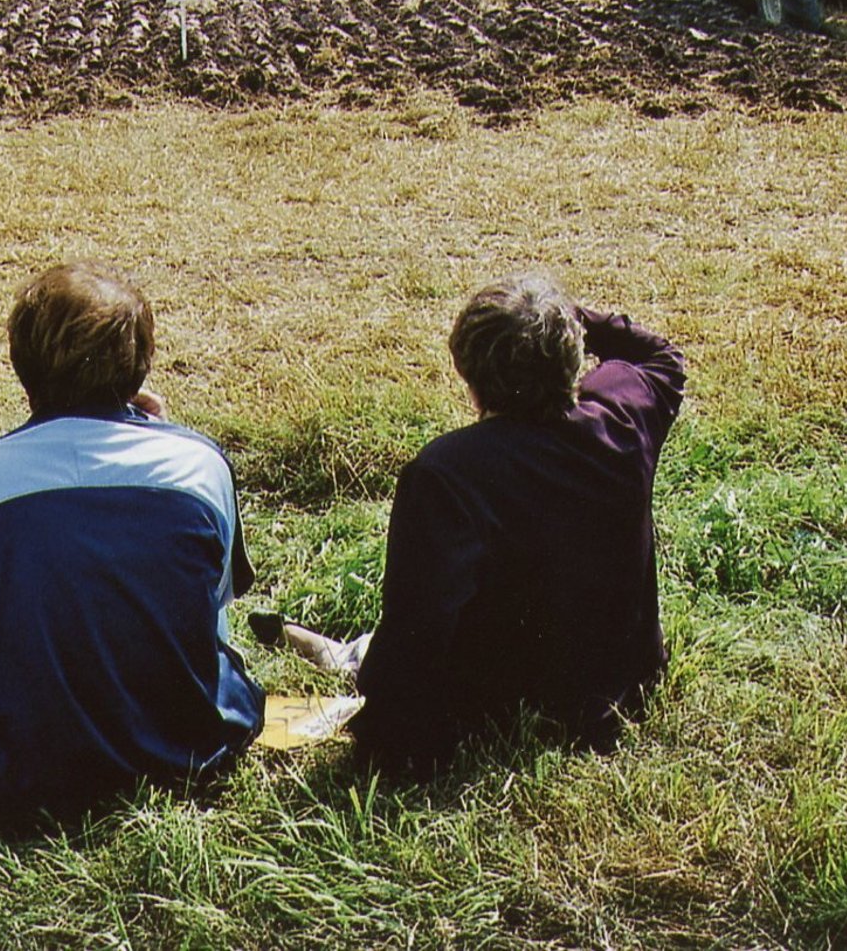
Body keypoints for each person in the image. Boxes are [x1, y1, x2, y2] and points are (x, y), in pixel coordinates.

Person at [0, 262, 264, 829]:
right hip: (185, 758)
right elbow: (213, 601)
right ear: (142, 364)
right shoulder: (201, 463)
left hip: (1, 780)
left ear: (22, 366)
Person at [261, 276, 685, 778]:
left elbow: (418, 628)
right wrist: (562, 315)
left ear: (469, 372)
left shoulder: (448, 471)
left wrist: (381, 730)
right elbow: (661, 356)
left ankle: (351, 656)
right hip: (619, 688)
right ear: (572, 353)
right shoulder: (624, 416)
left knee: (387, 649)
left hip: (501, 708)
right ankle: (349, 653)